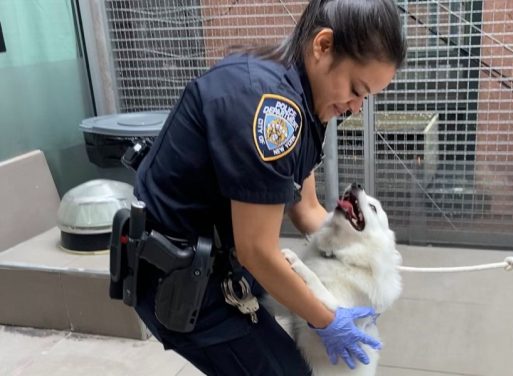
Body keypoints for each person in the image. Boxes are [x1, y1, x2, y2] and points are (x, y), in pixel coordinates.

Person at [131, 0, 406, 374]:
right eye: (356, 89)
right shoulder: (274, 112)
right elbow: (257, 252)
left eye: (365, 97)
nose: (355, 107)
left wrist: (365, 258)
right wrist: (328, 321)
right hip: (182, 282)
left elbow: (307, 210)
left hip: (218, 265)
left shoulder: (305, 101)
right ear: (322, 46)